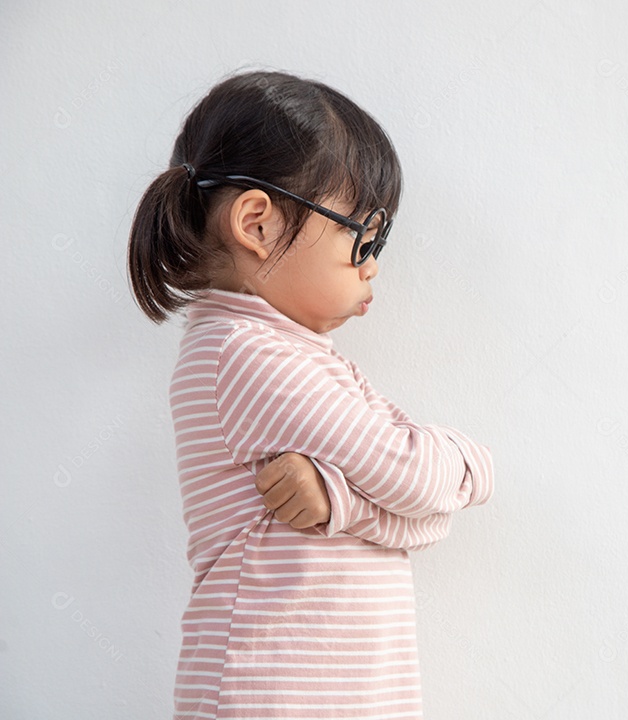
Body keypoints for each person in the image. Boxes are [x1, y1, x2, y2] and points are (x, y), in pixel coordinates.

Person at [126, 68, 495, 719]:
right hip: (271, 696)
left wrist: (342, 504)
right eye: (365, 236)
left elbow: (422, 517)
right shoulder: (252, 356)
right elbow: (419, 483)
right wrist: (473, 463)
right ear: (259, 224)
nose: (374, 263)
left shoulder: (283, 355)